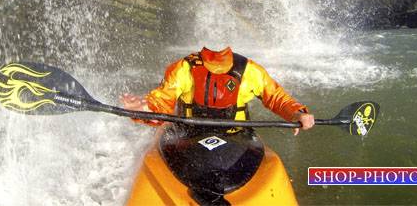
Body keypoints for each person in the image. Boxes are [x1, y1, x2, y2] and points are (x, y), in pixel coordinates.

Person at [121, 47, 314, 135]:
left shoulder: (249, 70)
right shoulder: (184, 68)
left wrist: (296, 113)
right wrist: (145, 109)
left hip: (236, 136)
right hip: (187, 135)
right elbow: (162, 101)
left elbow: (275, 97)